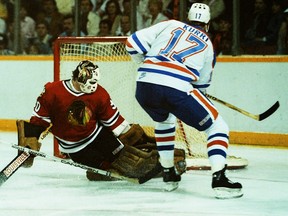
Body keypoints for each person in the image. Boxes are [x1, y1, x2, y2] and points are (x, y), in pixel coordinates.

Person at [125, 3, 243, 198]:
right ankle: (220, 180)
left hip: (144, 87)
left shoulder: (170, 24)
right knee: (218, 127)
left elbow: (131, 43)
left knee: (164, 121)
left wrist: (145, 65)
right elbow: (201, 88)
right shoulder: (207, 44)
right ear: (208, 24)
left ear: (188, 18)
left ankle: (169, 174)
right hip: (176, 88)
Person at [16, 60, 186, 182]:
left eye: (95, 81)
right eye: (90, 82)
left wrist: (133, 137)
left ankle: (165, 163)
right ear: (78, 78)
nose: (93, 85)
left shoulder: (99, 94)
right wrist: (30, 142)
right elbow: (39, 120)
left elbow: (115, 123)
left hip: (99, 135)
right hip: (75, 148)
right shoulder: (52, 91)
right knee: (103, 170)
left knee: (128, 160)